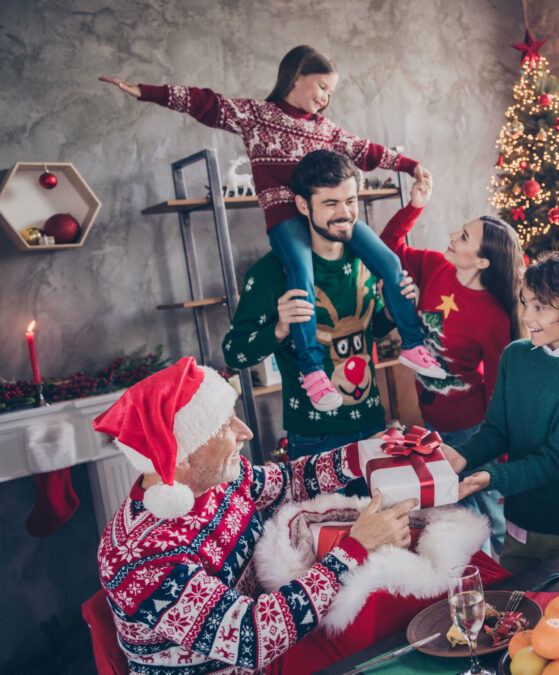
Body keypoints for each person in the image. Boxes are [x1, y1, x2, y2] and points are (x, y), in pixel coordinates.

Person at [100, 45, 445, 414]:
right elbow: (206, 103)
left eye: (331, 92)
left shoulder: (324, 129)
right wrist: (145, 91)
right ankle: (313, 371)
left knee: (390, 263)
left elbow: (366, 150)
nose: (326, 97)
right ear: (296, 77)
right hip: (285, 215)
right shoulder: (257, 116)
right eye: (322, 87)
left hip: (329, 215)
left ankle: (412, 344)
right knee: (301, 275)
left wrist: (411, 166)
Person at [92, 357, 418, 672]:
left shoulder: (220, 478)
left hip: (271, 647)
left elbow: (289, 482)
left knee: (391, 617)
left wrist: (361, 455)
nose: (245, 431)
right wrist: (355, 548)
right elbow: (252, 637)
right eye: (224, 426)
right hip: (248, 656)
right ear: (180, 456)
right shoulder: (139, 556)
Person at [222, 150, 411, 471]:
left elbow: (371, 331)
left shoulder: (366, 259)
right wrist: (280, 328)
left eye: (350, 201)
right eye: (330, 203)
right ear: (302, 206)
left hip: (374, 425)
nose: (345, 213)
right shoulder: (271, 273)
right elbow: (234, 353)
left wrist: (393, 310)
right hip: (316, 438)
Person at [441, 252, 559, 574]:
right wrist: (461, 457)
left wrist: (494, 477)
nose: (526, 316)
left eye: (540, 307)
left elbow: (556, 459)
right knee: (516, 616)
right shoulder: (516, 356)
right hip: (518, 524)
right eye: (525, 303)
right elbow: (497, 431)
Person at [379, 174, 524, 554]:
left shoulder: (494, 316)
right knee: (453, 511)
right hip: (432, 422)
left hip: (471, 428)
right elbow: (387, 246)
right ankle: (469, 578)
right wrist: (415, 205)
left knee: (487, 514)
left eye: (463, 237)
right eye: (458, 230)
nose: (452, 237)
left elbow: (497, 387)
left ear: (482, 260)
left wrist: (497, 449)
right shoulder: (433, 266)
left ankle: (501, 584)